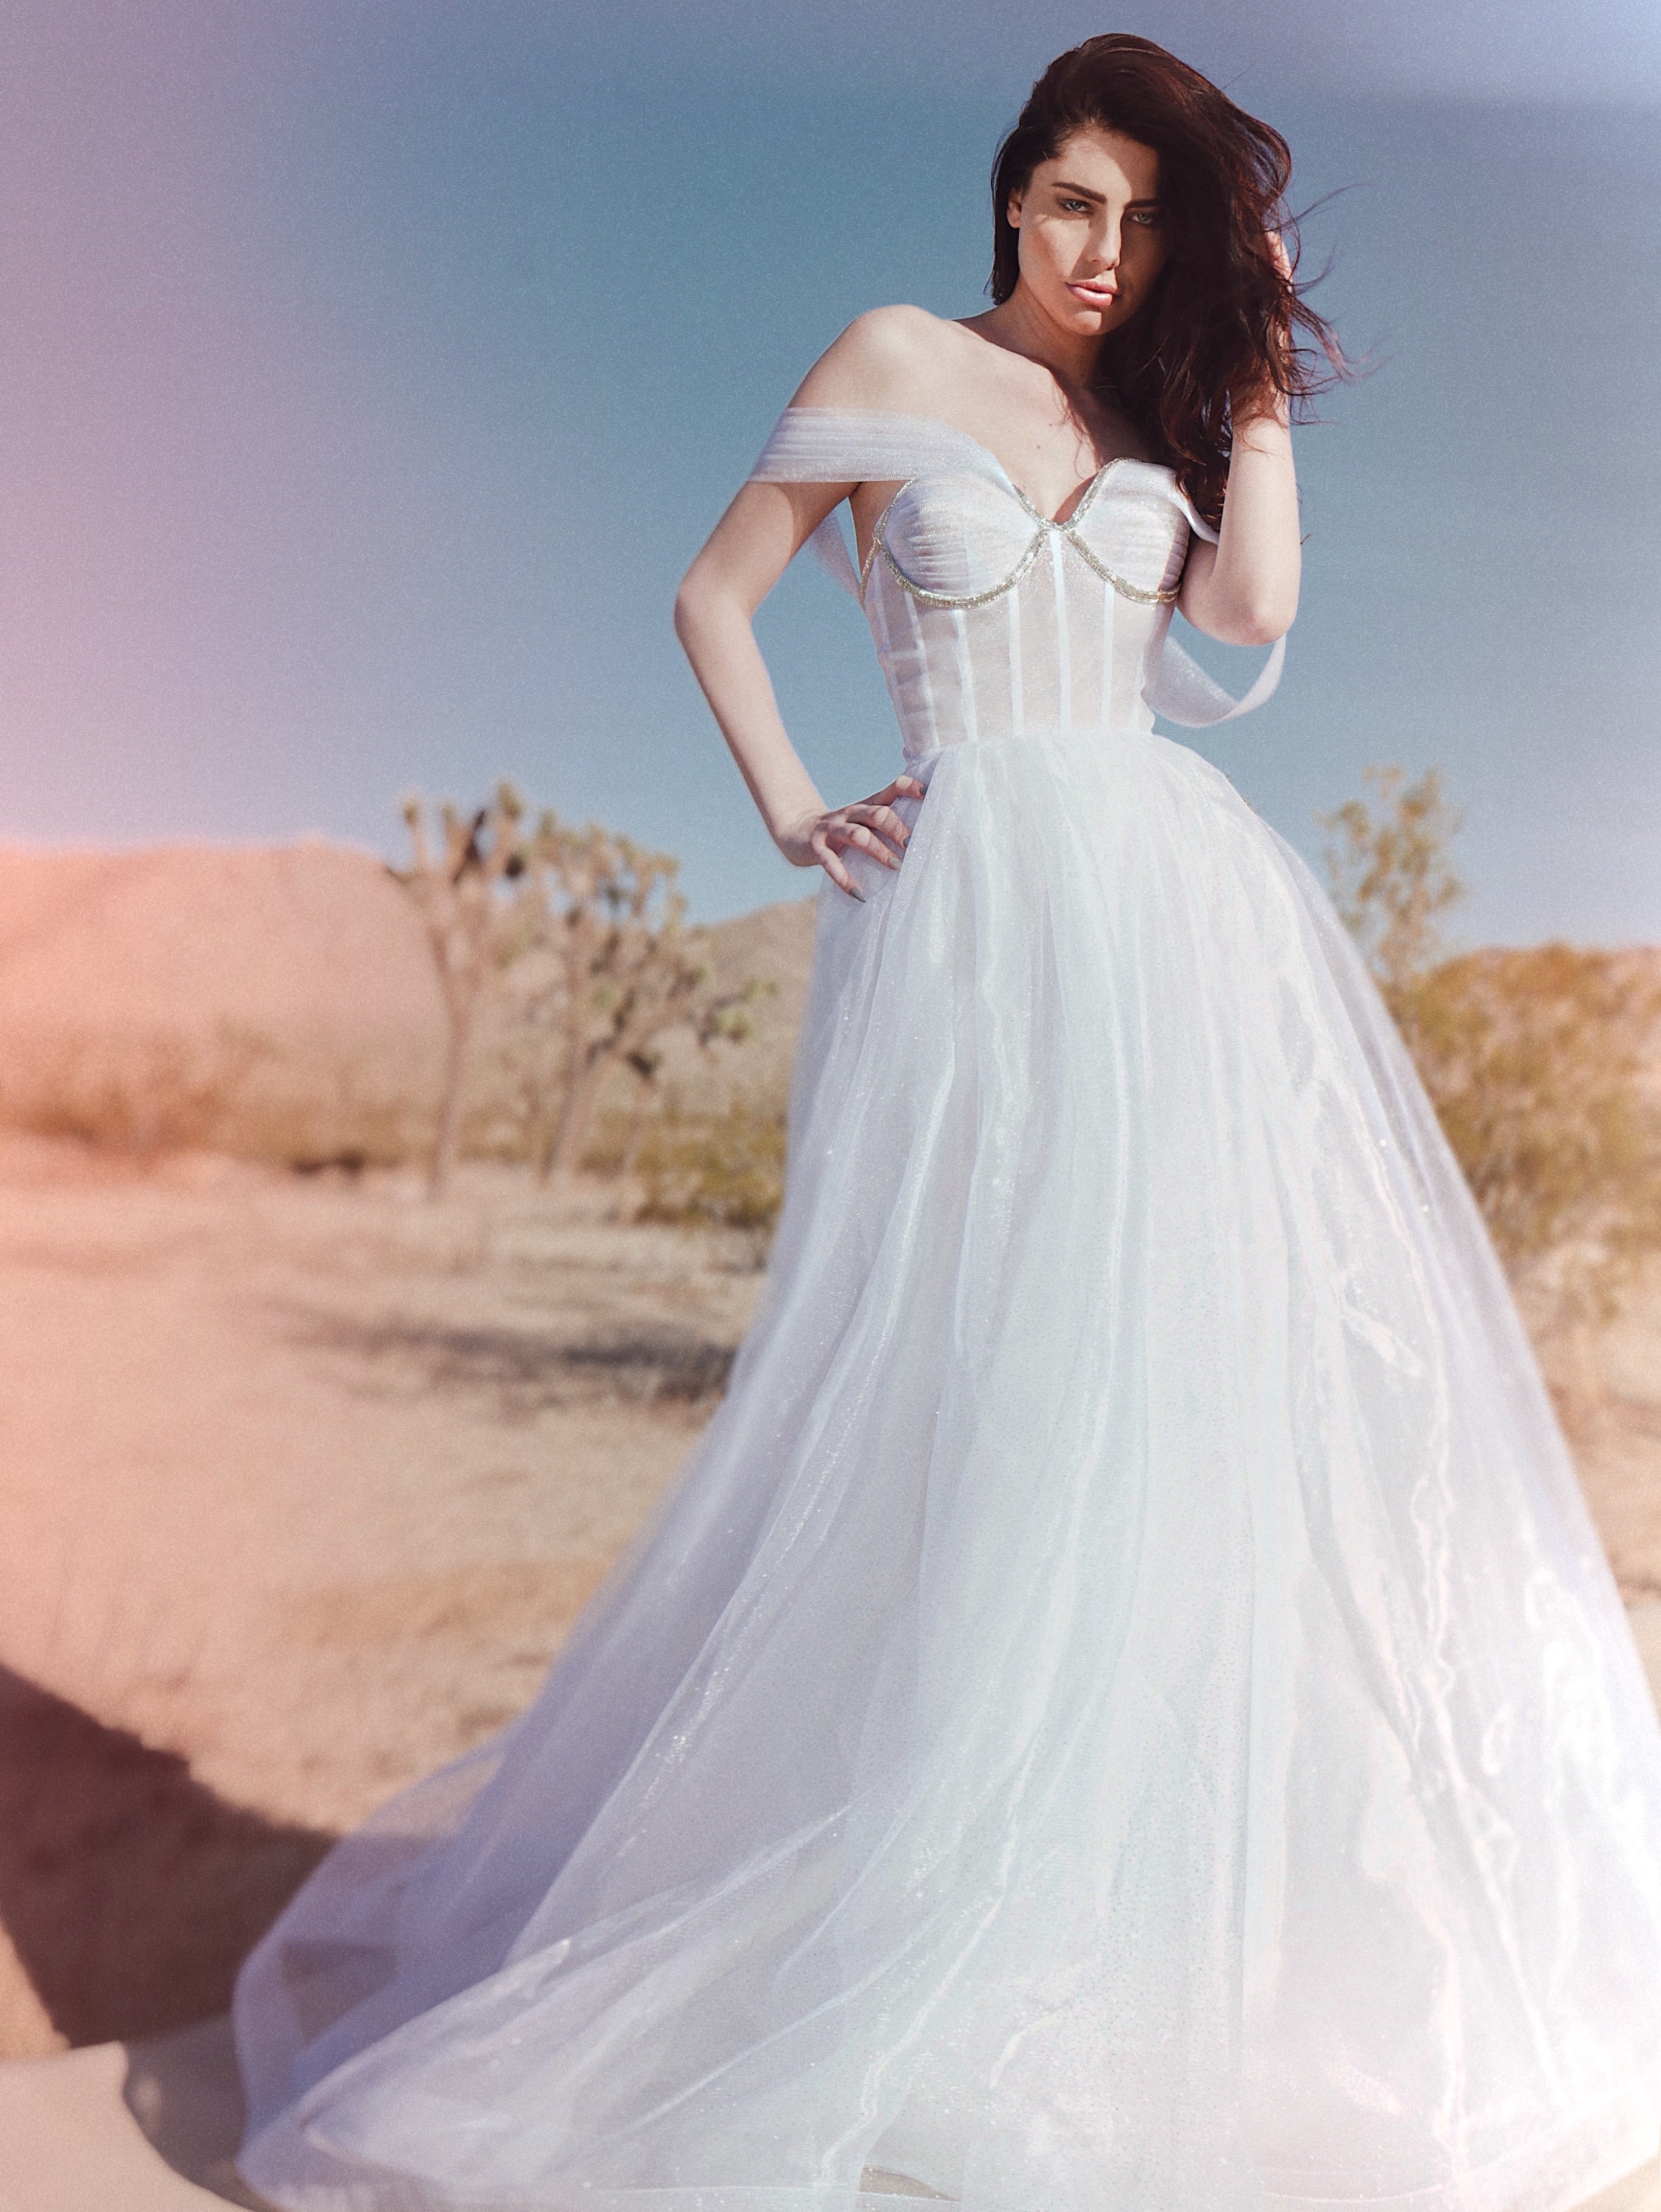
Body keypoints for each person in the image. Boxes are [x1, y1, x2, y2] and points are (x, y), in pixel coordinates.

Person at [234, 36, 1661, 2212]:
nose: (1106, 253)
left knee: (1178, 1413)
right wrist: (794, 808)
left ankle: (1131, 1927)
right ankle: (944, 1893)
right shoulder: (894, 356)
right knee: (984, 1398)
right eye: (1077, 203)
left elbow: (1251, 616)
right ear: (1011, 192)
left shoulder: (1163, 417)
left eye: (1149, 224)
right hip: (976, 930)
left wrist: (1251, 364)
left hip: (1182, 939)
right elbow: (713, 593)